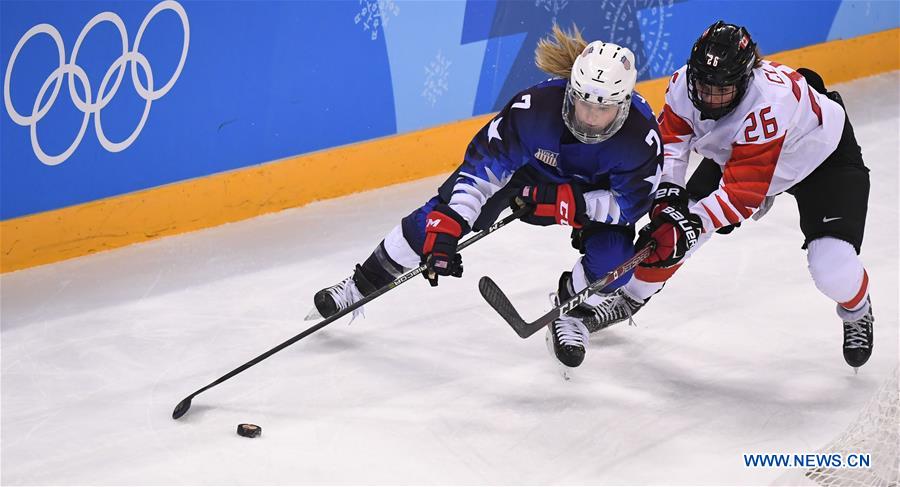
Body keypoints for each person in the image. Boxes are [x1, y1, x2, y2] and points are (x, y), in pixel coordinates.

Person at [310, 25, 676, 369]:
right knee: (432, 225)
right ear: (570, 90)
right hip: (525, 180)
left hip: (590, 197)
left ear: (623, 103)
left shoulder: (641, 137)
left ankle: (572, 314)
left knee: (614, 263)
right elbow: (482, 169)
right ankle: (358, 286)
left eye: (604, 108)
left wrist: (573, 203)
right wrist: (450, 223)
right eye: (584, 103)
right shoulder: (534, 108)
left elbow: (630, 204)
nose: (591, 118)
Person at [587, 21, 875, 369]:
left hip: (821, 159)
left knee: (831, 267)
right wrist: (668, 201)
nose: (708, 96)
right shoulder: (683, 85)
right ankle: (631, 297)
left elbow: (741, 195)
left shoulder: (768, 105)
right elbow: (672, 147)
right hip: (742, 153)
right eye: (703, 84)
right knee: (671, 230)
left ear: (745, 80)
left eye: (721, 89)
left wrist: (689, 223)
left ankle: (857, 308)